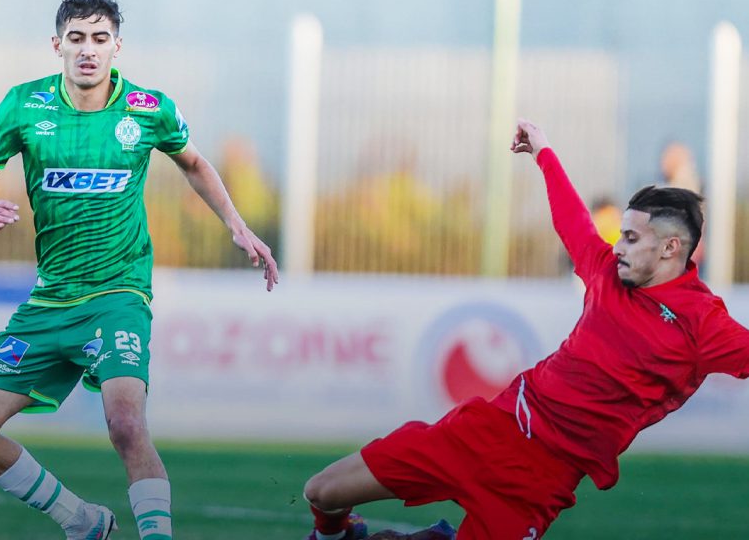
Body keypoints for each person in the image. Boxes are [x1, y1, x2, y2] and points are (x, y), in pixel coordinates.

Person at [302, 118, 749, 540]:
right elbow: (572, 221)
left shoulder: (703, 321)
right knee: (321, 491)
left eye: (631, 238)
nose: (617, 246)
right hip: (486, 431)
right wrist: (544, 151)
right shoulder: (607, 272)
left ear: (671, 248)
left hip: (540, 483)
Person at [0, 0, 278, 540]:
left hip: (118, 295)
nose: (88, 51)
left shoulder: (149, 109)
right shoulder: (23, 106)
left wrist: (236, 224)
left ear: (117, 46)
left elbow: (193, 161)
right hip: (49, 303)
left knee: (125, 423)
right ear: (58, 45)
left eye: (99, 39)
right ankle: (82, 521)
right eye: (76, 39)